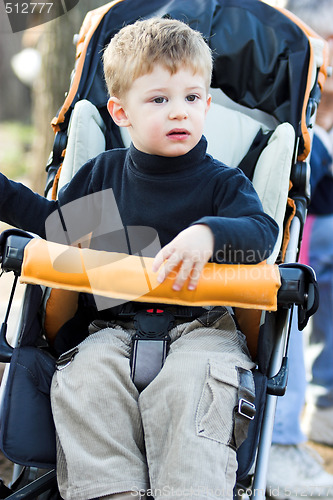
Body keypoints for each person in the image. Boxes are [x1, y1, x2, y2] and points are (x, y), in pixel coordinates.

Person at [0, 18, 278, 500]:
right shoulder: (106, 175)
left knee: (196, 384)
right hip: (112, 328)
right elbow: (56, 229)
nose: (179, 113)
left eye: (192, 98)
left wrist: (209, 235)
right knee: (84, 379)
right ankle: (110, 492)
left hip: (203, 329)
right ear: (121, 111)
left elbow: (261, 234)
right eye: (159, 99)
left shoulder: (222, 184)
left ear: (207, 105)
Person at [267, 0, 333, 497]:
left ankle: (323, 410)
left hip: (323, 229)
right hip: (298, 233)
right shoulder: (291, 113)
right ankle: (283, 438)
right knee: (289, 311)